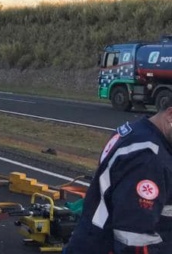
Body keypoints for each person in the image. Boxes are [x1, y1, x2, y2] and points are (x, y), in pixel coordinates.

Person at [64, 102, 172, 253]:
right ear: (170, 115)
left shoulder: (136, 131)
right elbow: (134, 239)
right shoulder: (148, 159)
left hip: (89, 237)